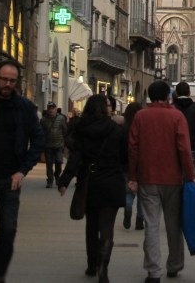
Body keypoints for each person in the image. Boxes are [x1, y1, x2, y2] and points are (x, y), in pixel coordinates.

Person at [128, 80, 195, 282]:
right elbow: (184, 149)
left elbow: (133, 148)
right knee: (174, 224)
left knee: (151, 225)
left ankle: (153, 271)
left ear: (150, 96)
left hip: (148, 178)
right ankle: (174, 265)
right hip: (173, 179)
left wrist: (132, 177)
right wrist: (190, 176)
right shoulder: (177, 116)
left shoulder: (140, 116)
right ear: (168, 96)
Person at [58, 93, 126, 283]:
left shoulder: (82, 130)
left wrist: (64, 181)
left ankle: (91, 263)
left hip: (90, 181)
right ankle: (103, 268)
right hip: (112, 181)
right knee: (107, 227)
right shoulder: (117, 130)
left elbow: (75, 157)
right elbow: (125, 157)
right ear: (105, 109)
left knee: (92, 226)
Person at [0, 59, 44, 283]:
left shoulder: (25, 107)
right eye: (4, 79)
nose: (8, 84)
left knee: (8, 229)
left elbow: (38, 140)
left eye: (12, 81)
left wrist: (22, 171)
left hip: (11, 178)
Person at [122, 102, 144, 230]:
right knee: (142, 195)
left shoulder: (123, 130)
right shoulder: (143, 130)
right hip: (142, 166)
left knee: (128, 192)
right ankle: (140, 219)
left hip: (126, 166)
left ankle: (128, 206)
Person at [40, 101, 67, 188]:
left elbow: (65, 131)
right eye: (49, 109)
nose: (51, 110)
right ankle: (50, 180)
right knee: (49, 164)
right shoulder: (43, 120)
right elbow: (41, 132)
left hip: (59, 145)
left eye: (52, 108)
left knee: (59, 162)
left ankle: (57, 174)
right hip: (48, 146)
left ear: (56, 109)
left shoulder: (61, 118)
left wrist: (64, 143)